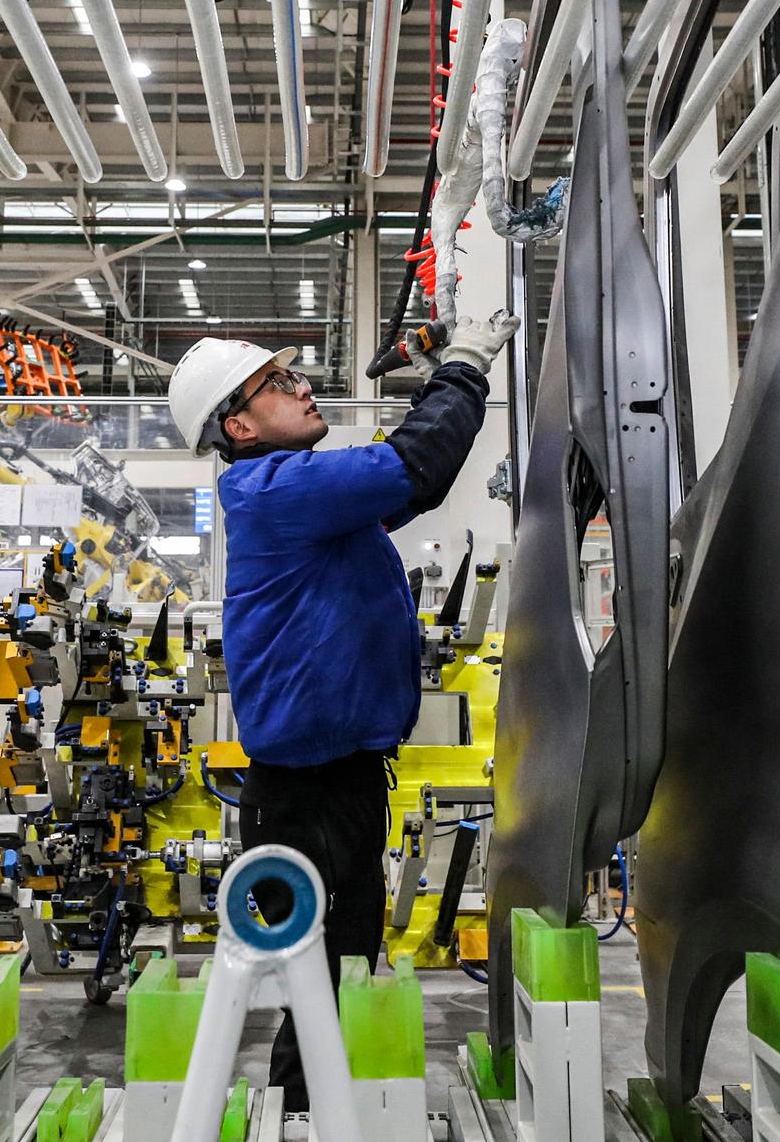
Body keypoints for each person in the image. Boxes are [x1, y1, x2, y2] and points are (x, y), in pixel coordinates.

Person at [167, 311, 520, 1112]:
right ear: (239, 424)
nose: (303, 385)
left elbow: (411, 481)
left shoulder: (304, 498)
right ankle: (305, 1116)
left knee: (340, 972)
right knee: (319, 983)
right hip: (308, 796)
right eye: (277, 381)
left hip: (340, 784)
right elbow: (415, 466)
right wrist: (463, 368)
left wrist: (437, 389)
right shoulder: (274, 489)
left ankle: (322, 1113)